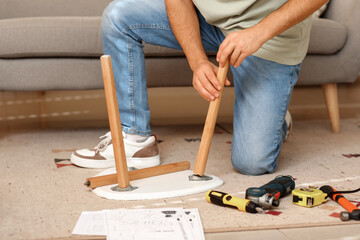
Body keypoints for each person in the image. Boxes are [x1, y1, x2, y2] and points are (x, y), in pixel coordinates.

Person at [70, 0, 328, 175]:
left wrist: (258, 33)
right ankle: (134, 139)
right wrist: (197, 62)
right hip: (209, 22)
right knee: (120, 16)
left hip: (269, 37)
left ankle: (277, 118)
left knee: (252, 164)